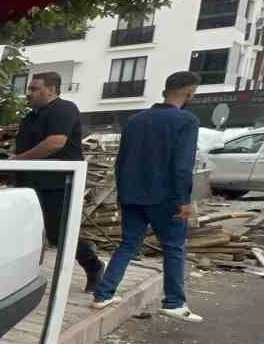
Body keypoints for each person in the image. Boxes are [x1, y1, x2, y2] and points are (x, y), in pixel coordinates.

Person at [91, 71, 203, 322]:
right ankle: (174, 302)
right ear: (188, 91)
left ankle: (104, 294)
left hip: (132, 195)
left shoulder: (136, 120)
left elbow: (121, 161)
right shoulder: (186, 121)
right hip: (166, 198)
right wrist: (184, 200)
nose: (194, 95)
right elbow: (182, 165)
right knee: (174, 247)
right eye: (193, 91)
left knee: (128, 244)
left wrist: (123, 194)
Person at [13, 71, 104, 292]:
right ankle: (21, 276)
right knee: (28, 230)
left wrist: (18, 160)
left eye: (35, 89)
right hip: (30, 182)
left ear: (51, 89)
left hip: (57, 183)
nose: (30, 93)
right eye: (30, 88)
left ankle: (93, 266)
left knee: (58, 231)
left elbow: (55, 143)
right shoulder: (30, 116)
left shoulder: (64, 109)